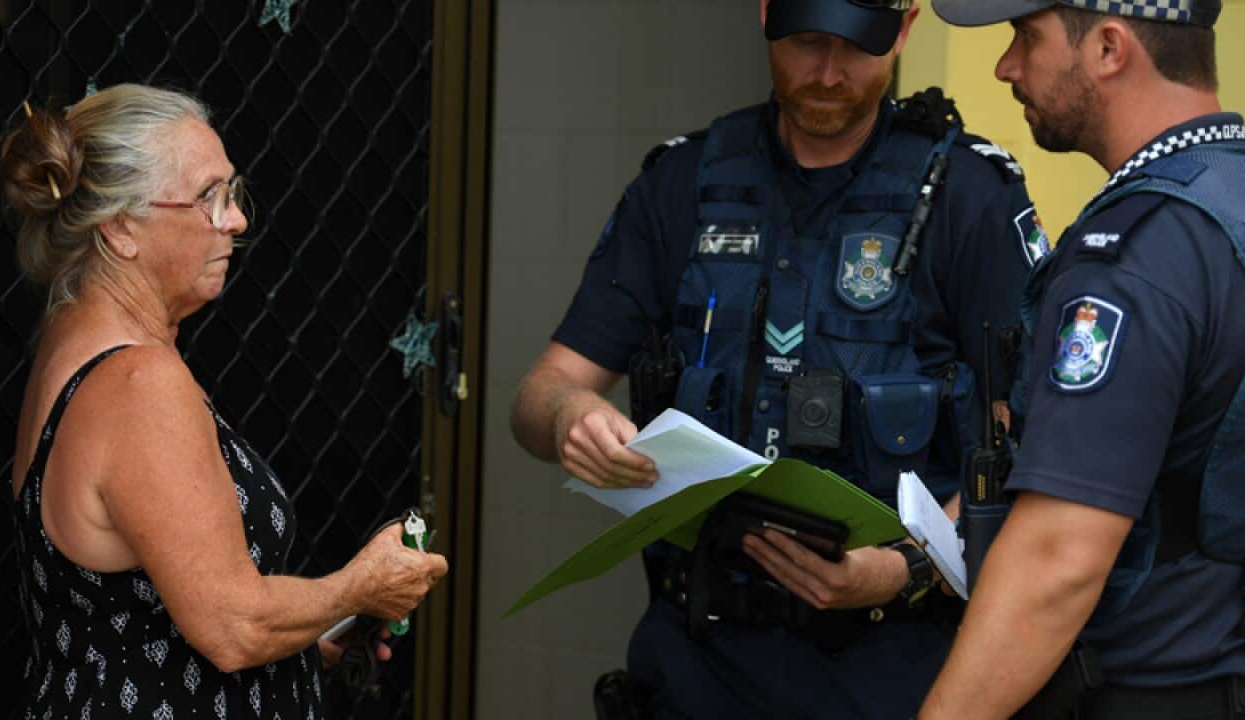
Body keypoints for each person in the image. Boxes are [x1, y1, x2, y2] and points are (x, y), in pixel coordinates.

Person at [510, 0, 1043, 716]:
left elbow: (1029, 443)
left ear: (907, 29)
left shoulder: (969, 195)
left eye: (856, 47)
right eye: (805, 41)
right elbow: (539, 396)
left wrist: (902, 570)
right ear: (764, 13)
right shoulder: (682, 182)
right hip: (694, 663)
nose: (827, 73)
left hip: (895, 668)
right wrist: (571, 416)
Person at [1, 83, 449, 719]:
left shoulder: (73, 344)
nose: (235, 220)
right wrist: (362, 587)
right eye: (209, 197)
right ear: (122, 228)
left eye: (232, 194)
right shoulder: (137, 382)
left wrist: (314, 636)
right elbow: (231, 627)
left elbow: (136, 622)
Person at [918, 1, 1245, 718]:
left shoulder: (1137, 255)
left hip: (1148, 689)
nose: (1007, 67)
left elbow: (1059, 560)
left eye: (1025, 38)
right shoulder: (1227, 201)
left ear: (1108, 48)